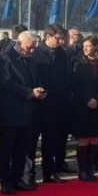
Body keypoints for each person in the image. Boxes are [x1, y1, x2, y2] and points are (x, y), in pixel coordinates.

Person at [0, 31, 45, 194]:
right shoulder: (5, 58)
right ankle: (5, 180)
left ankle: (18, 178)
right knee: (7, 147)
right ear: (19, 43)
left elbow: (35, 78)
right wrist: (29, 92)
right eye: (29, 48)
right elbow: (6, 82)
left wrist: (40, 90)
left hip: (27, 111)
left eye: (33, 49)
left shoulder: (31, 59)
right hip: (9, 112)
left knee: (22, 148)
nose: (31, 52)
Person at [28, 23, 72, 184]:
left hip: (57, 104)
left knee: (51, 140)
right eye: (58, 38)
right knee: (32, 142)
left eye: (62, 39)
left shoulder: (63, 54)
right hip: (38, 104)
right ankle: (29, 173)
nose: (61, 42)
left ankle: (49, 171)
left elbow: (67, 77)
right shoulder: (36, 53)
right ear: (48, 37)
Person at [70, 35, 98, 181]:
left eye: (88, 46)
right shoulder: (77, 63)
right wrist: (87, 99)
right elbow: (74, 84)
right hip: (82, 105)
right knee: (84, 138)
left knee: (95, 138)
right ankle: (82, 170)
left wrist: (97, 99)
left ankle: (91, 168)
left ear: (96, 47)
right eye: (84, 47)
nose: (85, 49)